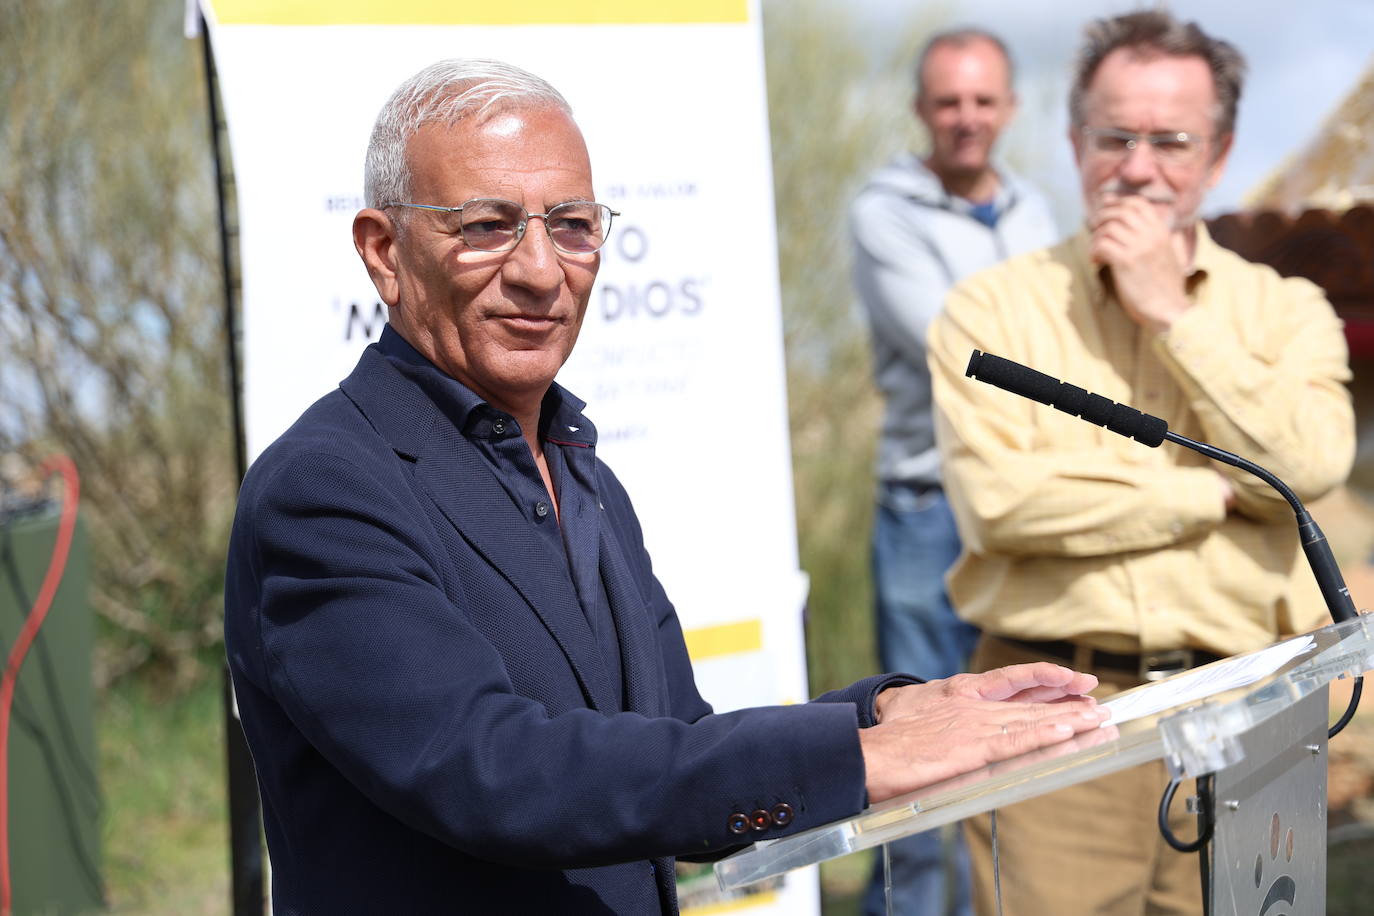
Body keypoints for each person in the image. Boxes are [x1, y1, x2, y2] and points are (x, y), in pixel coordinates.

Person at [222, 58, 1109, 915]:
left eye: (571, 224)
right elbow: (488, 769)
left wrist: (885, 714)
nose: (540, 270)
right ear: (384, 253)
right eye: (488, 225)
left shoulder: (580, 469)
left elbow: (672, 741)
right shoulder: (327, 488)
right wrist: (850, 755)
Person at [928, 11, 1355, 915]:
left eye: (1172, 140)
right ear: (1075, 140)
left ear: (1221, 152)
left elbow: (1308, 467)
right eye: (1114, 136)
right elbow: (1000, 507)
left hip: (1256, 707)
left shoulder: (1288, 309)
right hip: (1053, 716)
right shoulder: (990, 313)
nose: (1138, 165)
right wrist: (1216, 489)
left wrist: (1174, 314)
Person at [849, 27, 1058, 916]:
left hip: (1025, 507)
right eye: (948, 102)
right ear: (920, 111)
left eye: (982, 101)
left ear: (1008, 107)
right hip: (928, 513)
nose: (966, 119)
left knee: (1017, 746)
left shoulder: (1036, 211)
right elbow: (957, 347)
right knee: (921, 761)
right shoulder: (883, 211)